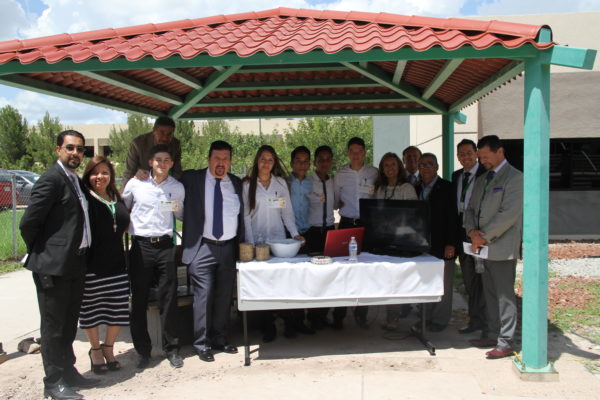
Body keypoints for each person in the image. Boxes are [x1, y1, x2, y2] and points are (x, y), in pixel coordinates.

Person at [20, 130, 97, 400]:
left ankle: (68, 372)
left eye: (80, 149)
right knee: (53, 328)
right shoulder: (51, 179)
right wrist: (43, 254)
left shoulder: (74, 179)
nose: (75, 153)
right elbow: (29, 223)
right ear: (58, 150)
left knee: (68, 323)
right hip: (52, 267)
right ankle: (53, 383)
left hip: (75, 264)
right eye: (70, 148)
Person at [180, 141, 244, 363]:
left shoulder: (236, 183)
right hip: (202, 247)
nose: (221, 163)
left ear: (231, 161)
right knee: (204, 295)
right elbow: (165, 175)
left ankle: (220, 338)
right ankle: (202, 343)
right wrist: (142, 173)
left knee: (224, 296)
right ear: (208, 159)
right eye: (217, 158)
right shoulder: (191, 179)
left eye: (225, 159)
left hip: (228, 248)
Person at [122, 145, 185, 369]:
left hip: (166, 246)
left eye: (167, 160)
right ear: (150, 162)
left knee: (169, 299)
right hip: (141, 246)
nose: (162, 163)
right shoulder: (135, 184)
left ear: (171, 163)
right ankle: (143, 350)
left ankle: (172, 349)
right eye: (158, 159)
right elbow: (123, 208)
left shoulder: (177, 188)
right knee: (138, 300)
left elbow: (181, 214)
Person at [464, 135, 523, 359]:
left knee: (504, 296)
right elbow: (470, 209)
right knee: (488, 293)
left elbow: (508, 214)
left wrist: (484, 237)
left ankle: (506, 341)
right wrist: (472, 232)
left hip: (501, 248)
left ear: (500, 152)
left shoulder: (515, 178)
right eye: (480, 158)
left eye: (486, 157)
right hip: (481, 248)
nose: (483, 161)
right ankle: (491, 333)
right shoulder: (482, 179)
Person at [243, 145, 305, 342]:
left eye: (270, 160)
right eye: (263, 159)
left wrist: (295, 234)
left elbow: (287, 213)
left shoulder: (280, 183)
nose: (266, 163)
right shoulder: (248, 184)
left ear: (274, 163)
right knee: (264, 285)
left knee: (283, 283)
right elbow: (246, 217)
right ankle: (267, 326)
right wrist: (251, 244)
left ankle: (289, 323)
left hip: (279, 242)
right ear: (257, 161)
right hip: (258, 243)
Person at [79, 156, 130, 374]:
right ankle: (95, 350)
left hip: (117, 264)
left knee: (117, 309)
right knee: (91, 310)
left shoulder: (117, 197)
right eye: (95, 173)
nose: (100, 177)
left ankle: (109, 348)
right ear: (88, 175)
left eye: (105, 172)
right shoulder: (85, 198)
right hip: (92, 266)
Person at [333, 136, 378, 329]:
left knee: (365, 269)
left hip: (367, 226)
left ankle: (362, 314)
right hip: (346, 224)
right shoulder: (340, 174)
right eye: (352, 151)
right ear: (347, 153)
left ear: (365, 153)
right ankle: (339, 314)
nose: (356, 154)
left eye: (359, 151)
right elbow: (336, 200)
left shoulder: (374, 172)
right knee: (342, 269)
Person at [374, 152, 417, 330]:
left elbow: (414, 213)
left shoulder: (407, 188)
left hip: (403, 239)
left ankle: (394, 317)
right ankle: (391, 315)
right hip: (385, 238)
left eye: (393, 164)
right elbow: (377, 213)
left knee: (399, 278)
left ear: (399, 167)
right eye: (386, 165)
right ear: (382, 169)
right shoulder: (380, 190)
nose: (390, 168)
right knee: (387, 278)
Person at [415, 153, 458, 332]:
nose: (425, 168)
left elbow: (453, 218)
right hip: (421, 244)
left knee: (443, 283)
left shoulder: (447, 187)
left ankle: (440, 320)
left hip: (442, 243)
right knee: (424, 282)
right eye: (422, 165)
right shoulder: (416, 188)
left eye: (429, 164)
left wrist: (451, 243)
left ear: (437, 167)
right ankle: (425, 318)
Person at [451, 139, 487, 335]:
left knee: (483, 280)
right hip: (461, 234)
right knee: (469, 279)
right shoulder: (456, 176)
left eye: (469, 153)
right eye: (461, 154)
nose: (465, 157)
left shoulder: (486, 173)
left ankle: (487, 321)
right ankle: (475, 320)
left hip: (480, 234)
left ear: (476, 154)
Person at [305, 145, 336, 329]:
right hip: (313, 232)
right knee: (314, 276)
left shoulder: (334, 181)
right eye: (321, 159)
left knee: (329, 275)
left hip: (330, 231)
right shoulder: (308, 182)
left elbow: (337, 202)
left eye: (327, 159)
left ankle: (323, 315)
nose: (324, 163)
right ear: (315, 162)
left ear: (332, 161)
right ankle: (313, 315)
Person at [122, 116, 182, 187]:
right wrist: (124, 189)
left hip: (165, 185)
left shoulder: (176, 145)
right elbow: (129, 172)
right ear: (154, 130)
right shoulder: (138, 144)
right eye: (161, 132)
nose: (165, 138)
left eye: (169, 134)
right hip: (141, 184)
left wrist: (172, 186)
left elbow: (177, 172)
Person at [288, 146, 312, 237]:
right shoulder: (284, 183)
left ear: (309, 164)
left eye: (305, 161)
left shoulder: (312, 183)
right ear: (291, 164)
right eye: (298, 161)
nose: (302, 164)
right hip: (289, 232)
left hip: (309, 231)